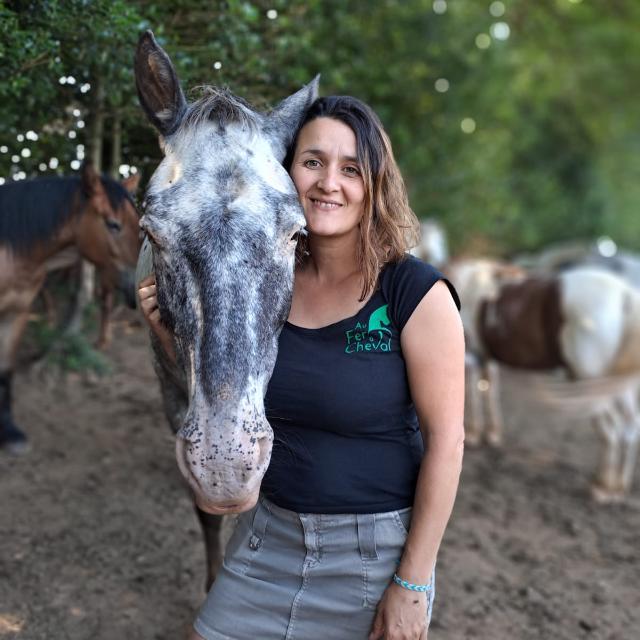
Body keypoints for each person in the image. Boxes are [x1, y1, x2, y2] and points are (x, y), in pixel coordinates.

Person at [139, 95, 464, 640]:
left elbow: (448, 443)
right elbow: (235, 388)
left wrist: (414, 581)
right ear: (286, 169)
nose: (327, 183)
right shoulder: (265, 284)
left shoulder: (414, 292)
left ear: (375, 183)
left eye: (351, 169)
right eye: (312, 161)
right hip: (267, 538)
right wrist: (172, 338)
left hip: (370, 553)